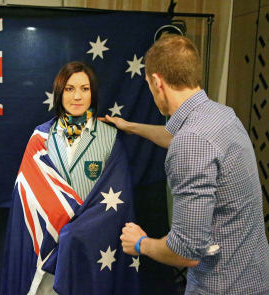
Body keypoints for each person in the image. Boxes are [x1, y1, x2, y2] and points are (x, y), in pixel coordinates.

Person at [105, 34, 269, 294]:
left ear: (157, 82)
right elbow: (176, 137)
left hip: (221, 287)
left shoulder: (191, 142)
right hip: (253, 278)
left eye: (148, 84)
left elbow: (186, 252)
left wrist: (140, 243)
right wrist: (131, 127)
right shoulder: (220, 115)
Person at [0, 61, 139, 295]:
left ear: (93, 93)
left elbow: (119, 199)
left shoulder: (109, 137)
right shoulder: (41, 137)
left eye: (85, 89)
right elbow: (25, 200)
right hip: (46, 249)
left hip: (89, 247)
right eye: (70, 89)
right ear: (59, 92)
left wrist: (75, 233)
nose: (77, 96)